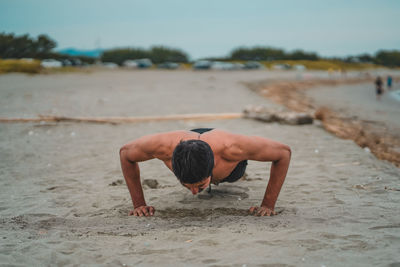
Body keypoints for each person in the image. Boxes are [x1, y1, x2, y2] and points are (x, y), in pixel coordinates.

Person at [119, 128, 291, 217]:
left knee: (233, 177)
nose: (194, 193)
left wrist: (268, 205)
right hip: (190, 144)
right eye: (187, 186)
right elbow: (125, 154)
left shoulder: (234, 148)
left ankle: (234, 175)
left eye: (199, 185)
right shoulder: (162, 147)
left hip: (230, 165)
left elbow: (283, 153)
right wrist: (139, 204)